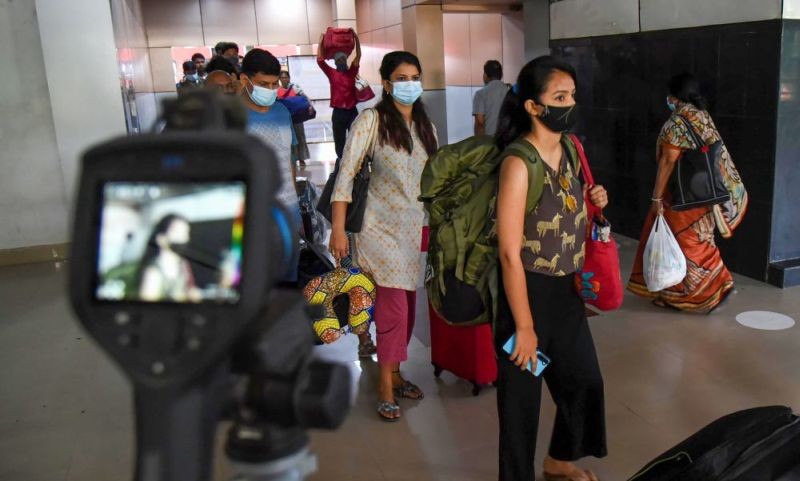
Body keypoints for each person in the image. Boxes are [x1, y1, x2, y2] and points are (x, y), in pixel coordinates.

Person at [493, 56, 608, 481]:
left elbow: (570, 205)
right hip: (525, 295)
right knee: (522, 406)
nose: (570, 104)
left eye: (572, 96)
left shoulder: (572, 149)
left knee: (584, 384)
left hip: (565, 293)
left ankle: (558, 460)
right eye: (559, 97)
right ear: (533, 106)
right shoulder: (518, 163)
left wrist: (594, 198)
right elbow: (508, 253)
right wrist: (524, 326)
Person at [328, 51, 438, 421]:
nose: (410, 84)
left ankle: (394, 371)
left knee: (407, 309)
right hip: (378, 229)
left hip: (414, 229)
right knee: (395, 308)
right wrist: (339, 230)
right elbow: (345, 175)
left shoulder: (425, 125)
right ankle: (386, 388)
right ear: (387, 84)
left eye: (415, 76)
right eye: (402, 78)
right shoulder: (370, 121)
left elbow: (433, 178)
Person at [627, 73, 746, 312]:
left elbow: (668, 162)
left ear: (674, 96)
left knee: (685, 243)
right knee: (699, 240)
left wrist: (656, 198)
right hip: (709, 193)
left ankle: (702, 295)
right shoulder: (701, 115)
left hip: (686, 197)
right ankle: (679, 293)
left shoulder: (676, 123)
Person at [238, 48, 300, 219]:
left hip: (288, 211)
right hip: (251, 216)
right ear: (245, 80)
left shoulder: (282, 112)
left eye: (274, 84)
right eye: (263, 84)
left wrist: (295, 202)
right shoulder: (231, 116)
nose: (271, 89)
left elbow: (289, 159)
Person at [317, 31, 361, 166]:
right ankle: (342, 162)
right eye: (338, 60)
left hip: (352, 111)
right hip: (338, 112)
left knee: (356, 138)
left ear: (346, 60)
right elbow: (320, 60)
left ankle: (356, 162)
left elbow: (359, 56)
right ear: (335, 62)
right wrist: (321, 41)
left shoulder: (352, 72)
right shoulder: (332, 73)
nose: (340, 61)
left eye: (342, 59)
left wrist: (356, 39)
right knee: (339, 140)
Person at [137, 214, 201, 303]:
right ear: (161, 239)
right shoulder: (153, 271)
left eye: (185, 233)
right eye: (177, 232)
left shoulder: (182, 265)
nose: (183, 238)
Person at [278, 70, 311, 168]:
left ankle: (301, 158)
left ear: (289, 78)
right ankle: (291, 158)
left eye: (286, 77)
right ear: (279, 79)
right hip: (285, 119)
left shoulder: (295, 88)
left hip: (297, 118)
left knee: (299, 137)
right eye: (282, 77)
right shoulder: (277, 90)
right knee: (288, 139)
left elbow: (305, 98)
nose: (284, 79)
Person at [473, 60, 509, 136]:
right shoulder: (510, 92)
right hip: (508, 140)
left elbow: (480, 122)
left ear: (485, 75)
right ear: (501, 75)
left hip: (489, 141)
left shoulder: (480, 94)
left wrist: (479, 143)